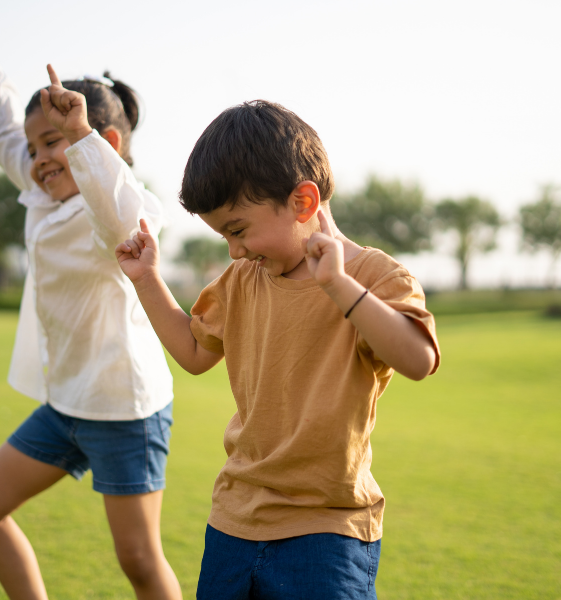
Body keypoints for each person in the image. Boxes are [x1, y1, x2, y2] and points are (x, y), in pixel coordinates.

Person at [115, 100, 441, 599]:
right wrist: (147, 280)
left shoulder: (374, 278)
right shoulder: (244, 279)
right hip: (234, 520)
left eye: (238, 229)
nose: (235, 250)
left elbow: (418, 360)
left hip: (327, 532)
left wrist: (338, 284)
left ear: (303, 203)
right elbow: (194, 353)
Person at [0, 6, 181, 600]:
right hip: (66, 404)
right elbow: (6, 135)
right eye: (36, 149)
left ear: (101, 143)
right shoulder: (41, 193)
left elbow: (124, 214)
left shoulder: (112, 209)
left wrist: (78, 138)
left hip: (123, 409)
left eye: (52, 142)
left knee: (138, 558)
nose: (37, 159)